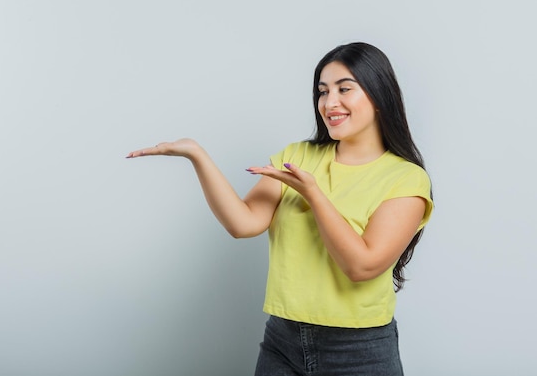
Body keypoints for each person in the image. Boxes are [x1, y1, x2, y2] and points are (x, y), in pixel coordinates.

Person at [126, 42, 433, 376]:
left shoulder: (405, 179)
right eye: (322, 91)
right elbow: (244, 223)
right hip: (283, 340)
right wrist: (198, 155)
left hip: (359, 350)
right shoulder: (298, 156)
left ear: (379, 96)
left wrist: (314, 195)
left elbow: (361, 266)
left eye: (345, 89)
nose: (330, 103)